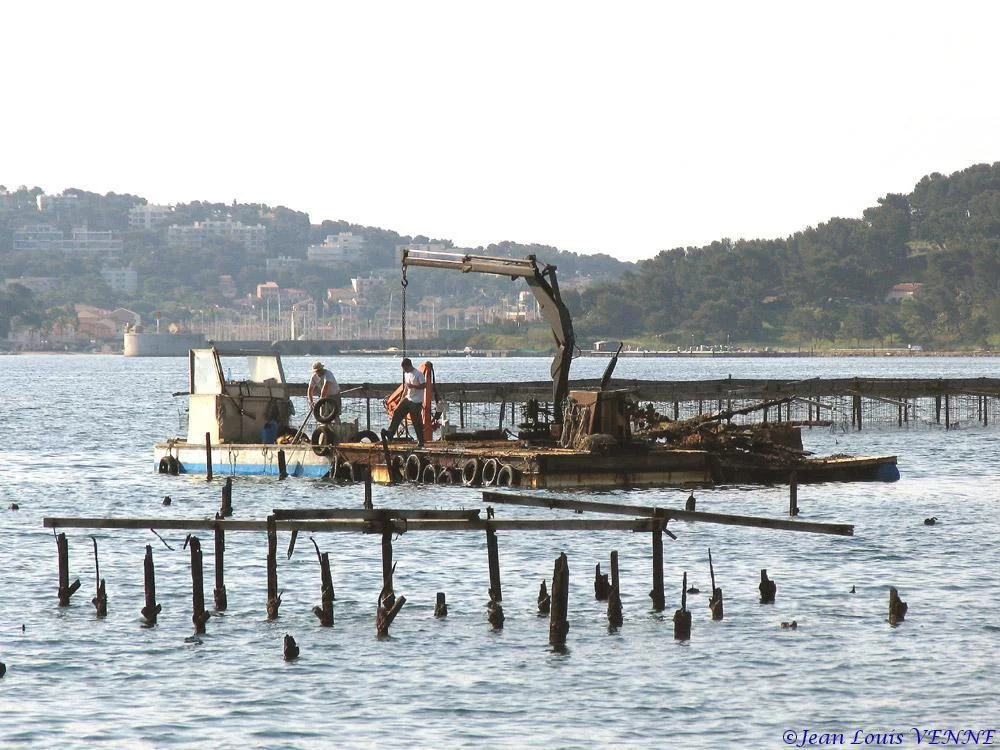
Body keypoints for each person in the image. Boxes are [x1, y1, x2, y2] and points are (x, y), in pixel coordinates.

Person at [383, 357, 426, 446]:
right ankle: (390, 433)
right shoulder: (406, 374)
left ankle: (421, 441)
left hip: (416, 401)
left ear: (409, 366)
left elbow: (424, 386)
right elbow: (406, 387)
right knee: (397, 412)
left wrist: (413, 386)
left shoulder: (418, 374)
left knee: (416, 421)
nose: (404, 370)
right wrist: (401, 399)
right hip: (408, 398)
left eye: (405, 368)